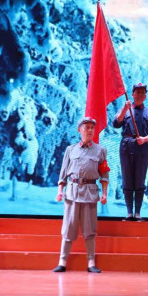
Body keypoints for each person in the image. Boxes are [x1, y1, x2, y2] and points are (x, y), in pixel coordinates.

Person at [53, 117, 109, 273]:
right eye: (86, 127)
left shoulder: (100, 151)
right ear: (79, 130)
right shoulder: (70, 150)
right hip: (72, 193)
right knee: (68, 228)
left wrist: (104, 193)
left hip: (90, 193)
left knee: (90, 230)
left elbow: (104, 174)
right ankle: (62, 261)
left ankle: (91, 262)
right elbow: (63, 172)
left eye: (92, 127)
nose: (90, 130)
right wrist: (60, 190)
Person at [112, 82, 148, 221]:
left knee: (140, 180)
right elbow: (116, 124)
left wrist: (145, 139)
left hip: (142, 148)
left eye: (142, 92)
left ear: (145, 96)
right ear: (132, 94)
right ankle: (129, 213)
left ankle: (138, 213)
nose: (140, 94)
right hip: (126, 147)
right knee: (127, 179)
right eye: (137, 92)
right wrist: (124, 109)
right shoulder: (125, 109)